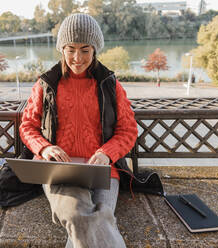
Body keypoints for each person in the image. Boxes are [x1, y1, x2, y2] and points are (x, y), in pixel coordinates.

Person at [19, 13, 138, 247]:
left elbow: (128, 130)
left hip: (103, 170)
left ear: (95, 50)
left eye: (85, 50)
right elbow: (28, 126)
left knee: (102, 216)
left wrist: (107, 153)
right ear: (61, 49)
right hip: (59, 169)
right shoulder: (46, 85)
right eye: (71, 49)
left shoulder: (110, 85)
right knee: (76, 215)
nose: (77, 57)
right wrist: (44, 148)